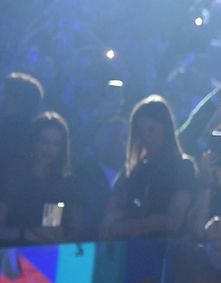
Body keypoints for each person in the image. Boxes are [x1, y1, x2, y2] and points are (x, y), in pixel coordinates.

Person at [100, 96, 197, 239]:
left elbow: (174, 221)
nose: (146, 136)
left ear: (166, 128)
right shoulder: (131, 170)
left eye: (151, 129)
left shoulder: (183, 167)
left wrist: (131, 224)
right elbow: (111, 213)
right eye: (140, 131)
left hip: (164, 251)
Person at [0, 112, 86, 243]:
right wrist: (24, 234)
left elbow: (55, 223)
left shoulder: (63, 183)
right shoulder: (13, 179)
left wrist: (61, 234)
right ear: (32, 141)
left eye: (56, 144)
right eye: (44, 141)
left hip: (46, 255)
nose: (49, 149)